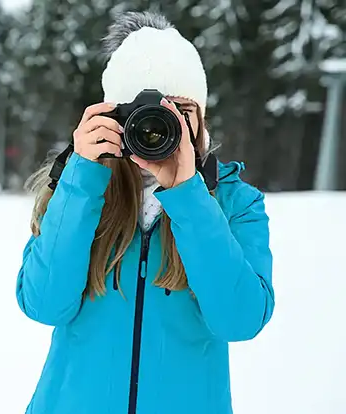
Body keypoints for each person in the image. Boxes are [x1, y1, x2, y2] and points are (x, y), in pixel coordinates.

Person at [15, 10, 275, 414]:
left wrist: (190, 195)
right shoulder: (81, 190)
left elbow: (239, 320)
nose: (155, 129)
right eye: (139, 114)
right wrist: (81, 175)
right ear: (112, 117)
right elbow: (45, 303)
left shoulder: (235, 204)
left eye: (178, 113)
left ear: (201, 120)